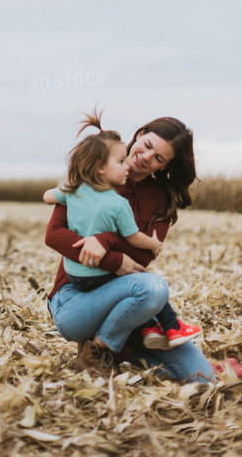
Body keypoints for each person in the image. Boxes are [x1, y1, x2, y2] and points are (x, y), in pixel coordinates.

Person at [45, 112, 216, 382]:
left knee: (203, 379)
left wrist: (105, 240)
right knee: (153, 286)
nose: (147, 156)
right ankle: (101, 349)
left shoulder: (161, 198)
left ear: (164, 166)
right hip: (74, 298)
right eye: (147, 145)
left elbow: (143, 255)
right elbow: (54, 235)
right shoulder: (94, 174)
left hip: (130, 304)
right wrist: (112, 262)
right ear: (139, 134)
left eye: (159, 158)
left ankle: (113, 346)